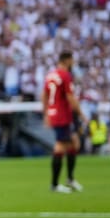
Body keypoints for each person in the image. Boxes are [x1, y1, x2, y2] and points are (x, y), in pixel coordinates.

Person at [43, 51, 83, 192]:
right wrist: (81, 114)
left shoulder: (50, 75)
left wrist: (46, 113)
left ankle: (70, 179)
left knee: (74, 143)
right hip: (63, 115)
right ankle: (55, 184)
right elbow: (70, 97)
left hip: (56, 114)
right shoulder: (65, 75)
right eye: (72, 60)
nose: (73, 63)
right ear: (67, 60)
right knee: (60, 146)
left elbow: (44, 95)